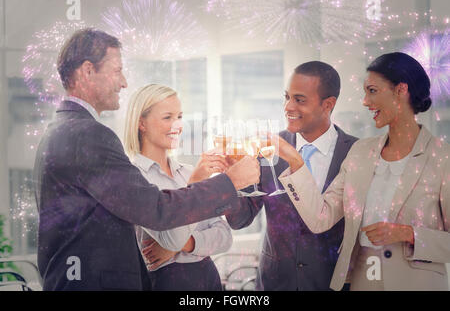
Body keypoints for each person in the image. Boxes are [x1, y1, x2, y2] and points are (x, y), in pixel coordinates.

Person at [33, 28, 260, 290]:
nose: (124, 82)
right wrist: (228, 182)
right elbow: (157, 210)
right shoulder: (89, 135)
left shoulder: (58, 131)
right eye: (117, 70)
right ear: (87, 71)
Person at [276, 52, 450, 290]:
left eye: (372, 91)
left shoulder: (442, 158)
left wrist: (408, 234)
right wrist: (295, 161)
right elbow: (320, 218)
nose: (365, 102)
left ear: (401, 90)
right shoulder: (361, 152)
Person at [225, 61, 358, 290]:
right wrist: (231, 180)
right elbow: (239, 220)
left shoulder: (355, 154)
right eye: (286, 97)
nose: (288, 107)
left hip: (330, 283)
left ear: (328, 105)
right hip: (274, 283)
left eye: (299, 99)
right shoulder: (268, 149)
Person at [123, 84, 232, 290]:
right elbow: (172, 237)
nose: (178, 126)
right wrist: (196, 185)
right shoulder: (134, 178)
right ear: (142, 124)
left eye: (179, 116)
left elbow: (224, 236)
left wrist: (184, 245)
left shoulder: (188, 171)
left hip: (209, 279)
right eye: (168, 117)